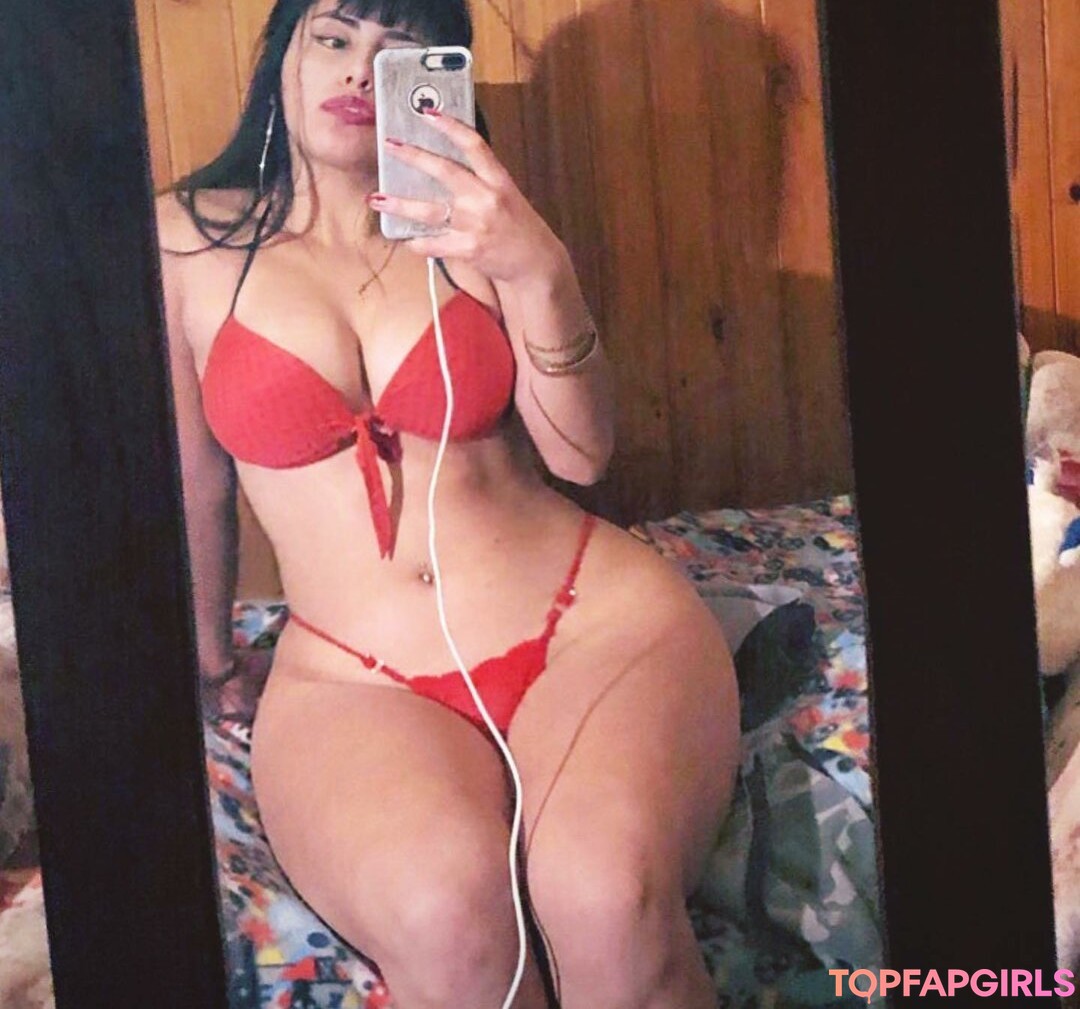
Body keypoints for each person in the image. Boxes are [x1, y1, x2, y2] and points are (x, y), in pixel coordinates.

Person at [155, 1, 739, 1006]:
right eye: (333, 37)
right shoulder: (182, 243)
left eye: (397, 50)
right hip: (356, 680)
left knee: (606, 900)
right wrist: (210, 661)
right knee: (451, 924)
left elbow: (582, 455)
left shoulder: (474, 228)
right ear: (281, 54)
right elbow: (194, 485)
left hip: (588, 627)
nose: (357, 70)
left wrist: (536, 268)